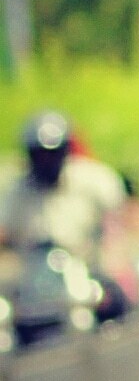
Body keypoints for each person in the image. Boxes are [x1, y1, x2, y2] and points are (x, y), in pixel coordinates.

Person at [0, 110, 129, 268]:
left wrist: (111, 246)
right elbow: (5, 230)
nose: (47, 161)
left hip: (88, 268)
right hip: (34, 275)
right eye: (40, 155)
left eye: (53, 154)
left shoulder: (93, 180)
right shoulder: (17, 190)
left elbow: (117, 219)